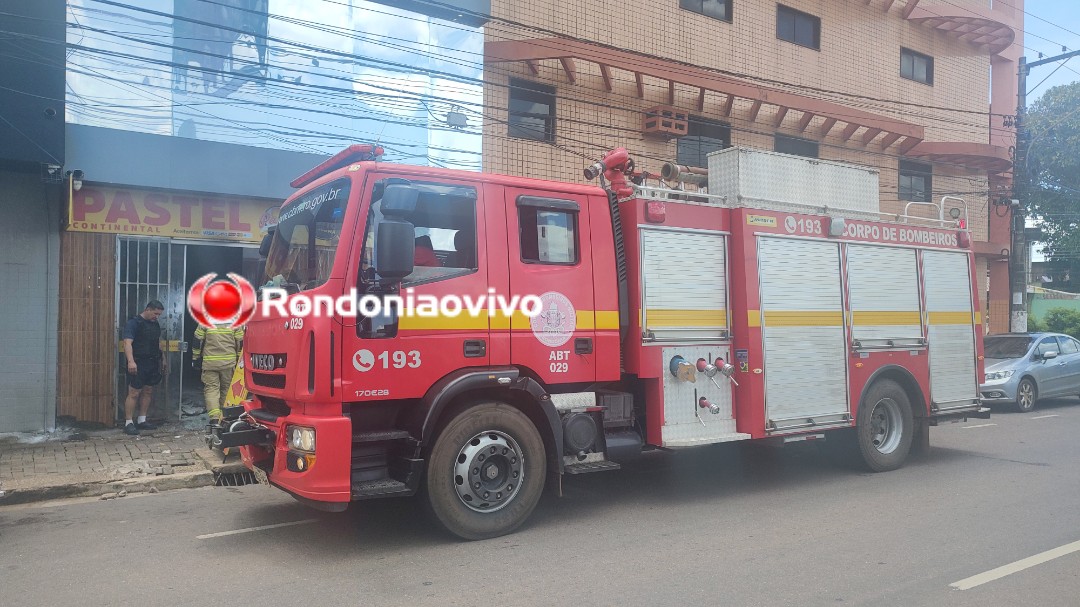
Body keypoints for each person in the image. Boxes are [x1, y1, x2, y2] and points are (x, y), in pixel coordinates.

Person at [122, 300, 166, 436]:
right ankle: (128, 423)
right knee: (134, 392)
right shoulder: (134, 323)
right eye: (155, 313)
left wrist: (163, 358)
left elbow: (157, 342)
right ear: (147, 309)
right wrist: (131, 361)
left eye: (159, 314)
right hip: (138, 362)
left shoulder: (154, 324)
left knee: (148, 391)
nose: (157, 317)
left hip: (152, 362)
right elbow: (127, 343)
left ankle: (142, 420)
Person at [192, 322, 244, 423]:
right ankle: (225, 416)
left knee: (211, 389)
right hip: (228, 363)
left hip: (210, 362)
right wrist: (238, 359)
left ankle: (214, 419)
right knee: (226, 389)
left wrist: (195, 358)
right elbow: (240, 342)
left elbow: (197, 341)